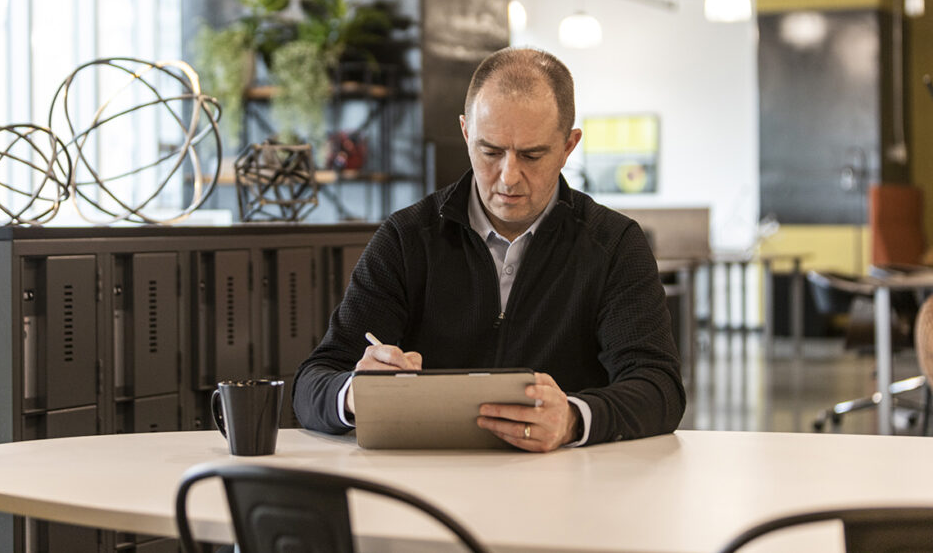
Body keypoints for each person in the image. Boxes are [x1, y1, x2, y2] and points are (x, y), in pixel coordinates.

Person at [293, 47, 685, 451]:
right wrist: (355, 393)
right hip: (426, 487)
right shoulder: (406, 239)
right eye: (490, 151)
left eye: (532, 155)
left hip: (566, 488)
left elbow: (660, 388)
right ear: (466, 133)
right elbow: (312, 381)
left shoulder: (614, 245)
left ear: (568, 146)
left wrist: (573, 418)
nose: (509, 177)